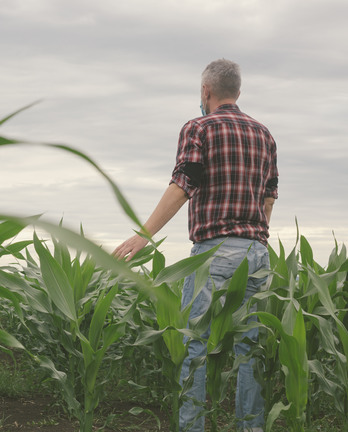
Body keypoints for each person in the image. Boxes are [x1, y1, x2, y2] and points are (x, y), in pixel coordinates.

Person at [112, 58, 278, 432]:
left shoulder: (198, 127)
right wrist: (252, 237)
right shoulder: (264, 134)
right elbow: (269, 196)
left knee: (194, 347)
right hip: (257, 253)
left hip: (213, 254)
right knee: (250, 351)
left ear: (206, 91)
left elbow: (184, 184)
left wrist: (144, 234)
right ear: (238, 91)